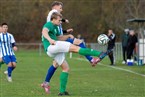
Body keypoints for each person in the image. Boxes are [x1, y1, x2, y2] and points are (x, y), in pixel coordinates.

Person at [41, 12, 110, 96]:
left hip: (52, 50)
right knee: (76, 48)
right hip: (53, 46)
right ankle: (100, 54)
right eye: (59, 20)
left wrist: (68, 35)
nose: (60, 22)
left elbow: (59, 38)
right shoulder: (49, 24)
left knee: (66, 68)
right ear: (53, 19)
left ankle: (62, 92)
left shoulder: (55, 27)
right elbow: (44, 32)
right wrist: (50, 40)